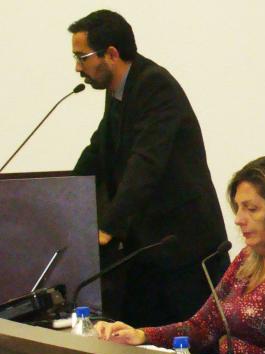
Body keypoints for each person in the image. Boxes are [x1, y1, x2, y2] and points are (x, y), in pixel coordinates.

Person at [95, 156, 265, 354]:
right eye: (238, 208)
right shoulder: (248, 259)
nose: (238, 219)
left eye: (251, 209)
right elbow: (202, 327)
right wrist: (141, 335)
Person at [69, 10, 229, 325]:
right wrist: (63, 199)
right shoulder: (120, 91)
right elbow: (99, 150)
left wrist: (108, 227)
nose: (77, 68)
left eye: (82, 57)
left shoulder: (155, 86)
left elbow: (146, 163)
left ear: (111, 54)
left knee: (187, 349)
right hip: (148, 251)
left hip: (184, 252)